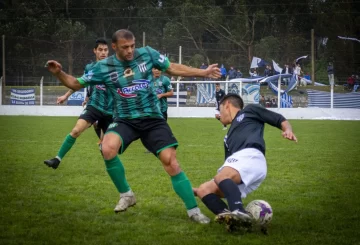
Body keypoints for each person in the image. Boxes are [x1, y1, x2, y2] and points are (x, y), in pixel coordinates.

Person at [45, 29, 221, 223]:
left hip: (152, 118)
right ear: (114, 47)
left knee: (170, 161)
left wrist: (203, 72)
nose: (130, 51)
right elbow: (75, 83)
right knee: (107, 147)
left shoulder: (148, 54)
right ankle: (127, 194)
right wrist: (58, 73)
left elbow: (172, 68)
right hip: (124, 119)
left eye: (132, 46)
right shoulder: (104, 67)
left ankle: (193, 211)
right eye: (124, 47)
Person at [193, 93, 297, 231]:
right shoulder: (228, 137)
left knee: (221, 177)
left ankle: (239, 212)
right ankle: (233, 221)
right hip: (244, 166)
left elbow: (278, 119)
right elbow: (227, 181)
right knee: (203, 189)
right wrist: (190, 191)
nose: (219, 114)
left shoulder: (249, 111)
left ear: (227, 105)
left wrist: (288, 130)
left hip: (252, 155)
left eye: (220, 109)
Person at [44, 38, 113, 169]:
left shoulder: (114, 67)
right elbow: (79, 83)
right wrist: (65, 95)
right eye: (100, 50)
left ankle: (103, 148)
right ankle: (57, 159)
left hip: (111, 110)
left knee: (108, 147)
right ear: (95, 51)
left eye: (105, 50)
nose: (103, 52)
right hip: (94, 106)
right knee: (76, 130)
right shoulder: (90, 68)